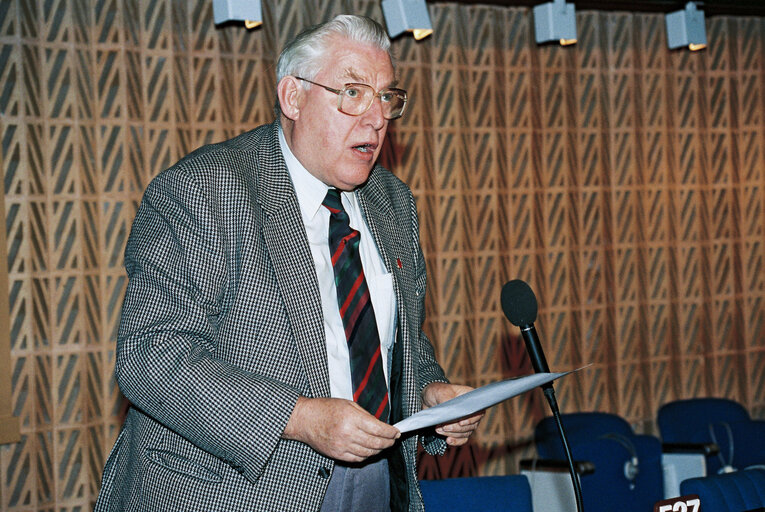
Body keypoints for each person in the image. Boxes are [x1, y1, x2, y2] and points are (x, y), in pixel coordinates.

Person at [95, 14, 482, 512]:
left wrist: (430, 394)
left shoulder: (392, 201)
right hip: (228, 489)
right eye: (353, 93)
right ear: (293, 97)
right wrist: (298, 418)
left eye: (386, 97)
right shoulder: (206, 190)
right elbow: (150, 356)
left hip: (378, 483)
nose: (377, 118)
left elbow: (390, 341)